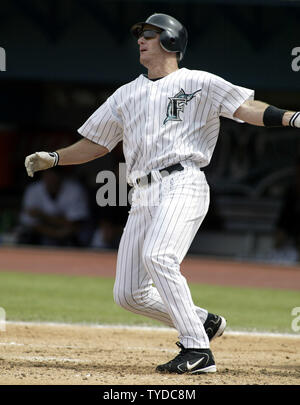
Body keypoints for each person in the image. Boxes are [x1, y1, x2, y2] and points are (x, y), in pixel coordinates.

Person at [24, 13, 300, 374]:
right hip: (141, 194)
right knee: (128, 294)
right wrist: (56, 157)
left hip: (182, 181)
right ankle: (203, 321)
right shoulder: (126, 94)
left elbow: (246, 109)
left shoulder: (199, 82)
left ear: (171, 41)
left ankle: (198, 350)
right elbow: (96, 143)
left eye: (150, 34)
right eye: (140, 34)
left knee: (160, 256)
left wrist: (292, 118)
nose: (140, 39)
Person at [18, 167, 91, 247]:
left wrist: (42, 215)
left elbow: (75, 224)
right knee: (26, 235)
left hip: (71, 234)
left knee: (83, 235)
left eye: (55, 173)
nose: (52, 178)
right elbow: (29, 222)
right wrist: (55, 234)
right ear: (43, 174)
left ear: (62, 175)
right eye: (48, 173)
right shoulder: (33, 190)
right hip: (42, 233)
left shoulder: (75, 190)